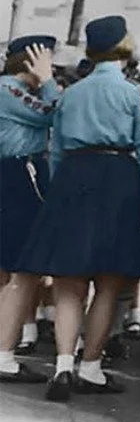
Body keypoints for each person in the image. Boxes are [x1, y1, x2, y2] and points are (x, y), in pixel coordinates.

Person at [9, 16, 140, 400]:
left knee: (69, 284)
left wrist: (59, 190)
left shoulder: (69, 94)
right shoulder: (138, 94)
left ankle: (62, 366)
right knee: (109, 283)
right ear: (124, 45)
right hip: (118, 180)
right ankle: (91, 367)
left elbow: (58, 149)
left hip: (73, 180)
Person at [0, 35, 60, 384]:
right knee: (23, 271)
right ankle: (5, 354)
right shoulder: (10, 89)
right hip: (19, 175)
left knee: (11, 271)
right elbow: (54, 112)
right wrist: (48, 81)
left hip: (16, 174)